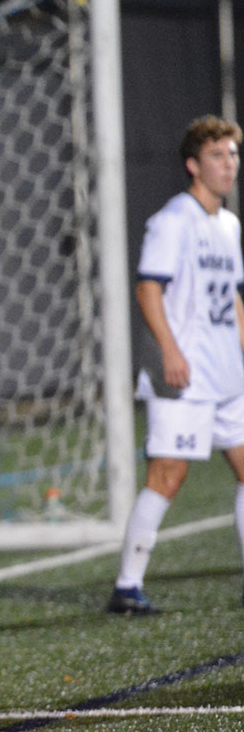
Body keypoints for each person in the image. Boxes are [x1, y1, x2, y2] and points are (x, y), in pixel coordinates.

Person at [108, 114, 244, 615]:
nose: (229, 165)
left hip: (227, 373)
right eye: (217, 156)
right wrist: (169, 349)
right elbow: (149, 289)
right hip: (183, 374)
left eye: (233, 155)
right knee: (168, 476)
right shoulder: (172, 220)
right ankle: (126, 587)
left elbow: (232, 296)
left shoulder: (228, 223)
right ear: (193, 164)